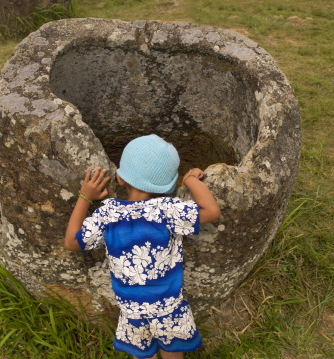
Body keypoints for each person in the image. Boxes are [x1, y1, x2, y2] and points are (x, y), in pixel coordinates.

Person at [64, 134, 221, 359]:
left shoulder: (108, 214)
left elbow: (71, 242)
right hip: (168, 309)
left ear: (119, 179)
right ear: (168, 186)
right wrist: (190, 180)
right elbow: (212, 211)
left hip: (131, 312)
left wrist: (85, 196)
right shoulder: (167, 210)